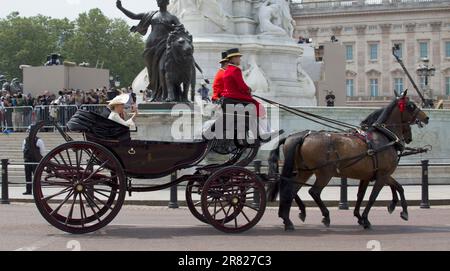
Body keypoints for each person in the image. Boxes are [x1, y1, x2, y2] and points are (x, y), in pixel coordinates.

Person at [221, 48, 279, 141]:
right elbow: (241, 86)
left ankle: (261, 130)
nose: (240, 59)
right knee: (259, 107)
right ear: (233, 59)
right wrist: (249, 89)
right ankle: (266, 130)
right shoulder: (236, 70)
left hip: (230, 97)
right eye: (238, 57)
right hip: (236, 97)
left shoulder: (227, 70)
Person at [22, 129, 46, 195]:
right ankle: (28, 190)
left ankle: (37, 191)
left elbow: (42, 151)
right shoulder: (25, 140)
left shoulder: (39, 140)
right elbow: (23, 149)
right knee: (28, 176)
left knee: (37, 177)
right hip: (27, 160)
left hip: (35, 161)